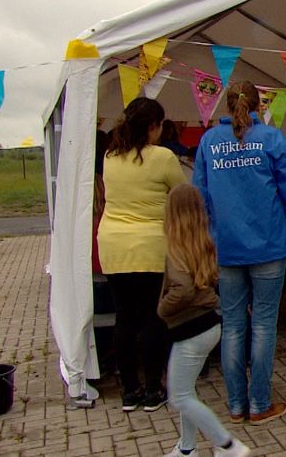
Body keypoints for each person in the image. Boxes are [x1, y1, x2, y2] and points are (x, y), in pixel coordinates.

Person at [192, 82, 286, 425]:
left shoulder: (209, 143)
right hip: (269, 245)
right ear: (260, 103)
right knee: (262, 326)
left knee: (231, 326)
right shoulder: (273, 140)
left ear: (225, 105)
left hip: (227, 247)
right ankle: (259, 404)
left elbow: (200, 197)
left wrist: (206, 240)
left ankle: (235, 405)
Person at [97, 97, 187, 412]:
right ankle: (152, 389)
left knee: (125, 318)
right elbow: (182, 196)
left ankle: (129, 391)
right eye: (160, 125)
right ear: (152, 126)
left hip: (114, 246)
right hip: (150, 246)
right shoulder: (163, 157)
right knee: (152, 317)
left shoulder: (110, 156)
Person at [159, 184, 251, 457]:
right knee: (187, 392)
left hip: (191, 328)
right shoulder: (203, 243)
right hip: (208, 325)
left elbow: (183, 289)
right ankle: (187, 448)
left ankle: (227, 445)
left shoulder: (177, 249)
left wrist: (162, 309)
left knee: (180, 396)